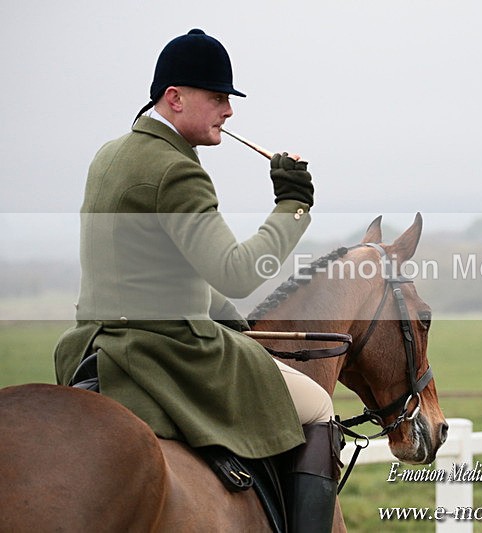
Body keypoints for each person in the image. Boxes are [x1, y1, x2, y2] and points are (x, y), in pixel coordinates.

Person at [54, 29, 340, 531]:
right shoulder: (178, 171)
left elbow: (148, 265)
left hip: (89, 345)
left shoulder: (110, 155)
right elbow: (237, 270)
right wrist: (293, 205)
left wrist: (230, 320)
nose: (228, 112)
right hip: (168, 351)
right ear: (175, 98)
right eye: (217, 98)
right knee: (318, 409)